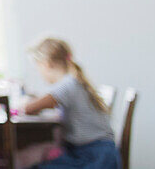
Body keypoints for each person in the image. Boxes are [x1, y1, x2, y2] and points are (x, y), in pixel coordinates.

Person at [23, 37, 120, 169]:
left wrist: (27, 101)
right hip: (97, 153)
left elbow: (30, 108)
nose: (39, 73)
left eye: (38, 67)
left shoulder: (68, 85)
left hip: (94, 157)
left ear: (47, 64)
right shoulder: (73, 82)